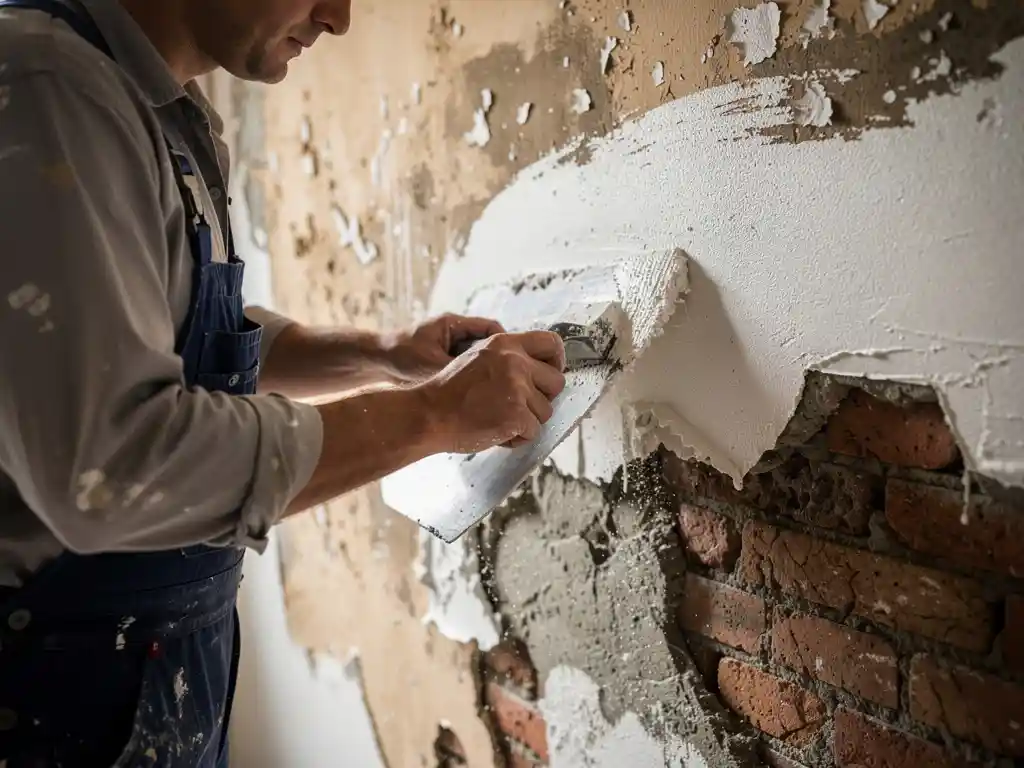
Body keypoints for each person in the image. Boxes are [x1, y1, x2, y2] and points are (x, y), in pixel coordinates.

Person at [0, 0, 567, 764]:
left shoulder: (164, 108)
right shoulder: (49, 88)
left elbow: (175, 331)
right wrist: (435, 414)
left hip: (153, 676)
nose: (338, 17)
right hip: (44, 699)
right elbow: (117, 470)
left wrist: (384, 352)